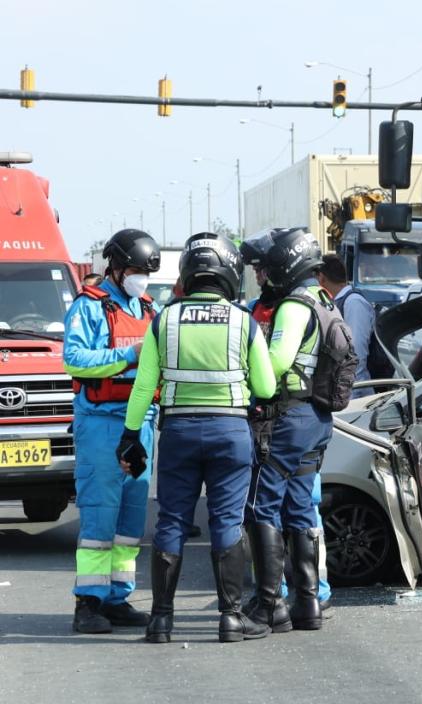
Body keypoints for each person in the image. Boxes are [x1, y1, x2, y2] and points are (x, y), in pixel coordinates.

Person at [118, 232, 277, 644]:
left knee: (171, 520)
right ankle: (231, 619)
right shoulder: (243, 321)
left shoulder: (164, 320)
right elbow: (265, 384)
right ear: (228, 275)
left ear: (188, 275)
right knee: (226, 521)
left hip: (178, 434)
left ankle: (161, 621)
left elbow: (143, 387)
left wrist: (130, 434)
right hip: (230, 434)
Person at [63, 229, 161, 634]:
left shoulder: (148, 308)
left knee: (130, 517)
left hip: (143, 423)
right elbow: (75, 360)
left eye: (148, 272)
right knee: (100, 516)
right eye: (138, 270)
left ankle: (118, 597)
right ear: (117, 269)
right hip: (102, 422)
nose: (143, 278)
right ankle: (88, 604)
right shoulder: (88, 307)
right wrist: (128, 354)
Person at [243, 228, 335, 632]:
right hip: (317, 417)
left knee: (264, 505)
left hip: (289, 416)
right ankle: (308, 603)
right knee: (300, 507)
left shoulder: (294, 307)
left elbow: (277, 362)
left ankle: (269, 605)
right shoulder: (324, 299)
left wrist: (245, 377)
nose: (265, 274)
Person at [316, 253, 375, 398]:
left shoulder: (353, 303)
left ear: (321, 278)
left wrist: (348, 394)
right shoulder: (335, 303)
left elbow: (357, 355)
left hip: (356, 394)